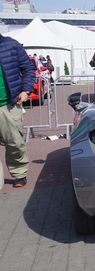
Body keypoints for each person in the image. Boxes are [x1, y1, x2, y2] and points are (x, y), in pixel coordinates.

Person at [0, 33, 36, 188]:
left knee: (14, 143)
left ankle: (19, 173)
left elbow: (28, 68)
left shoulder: (11, 45)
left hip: (8, 104)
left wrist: (26, 90)